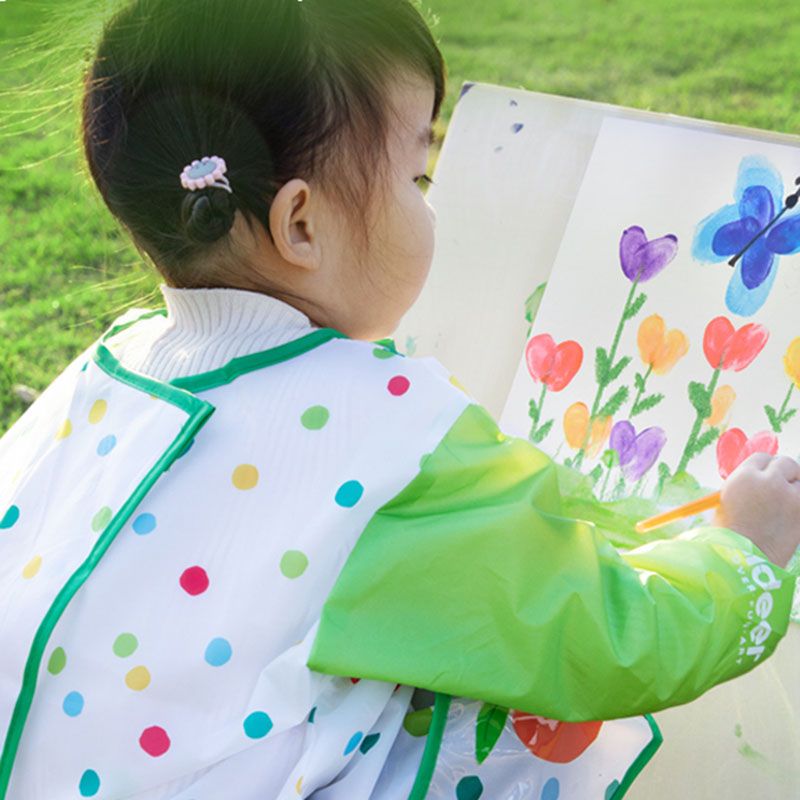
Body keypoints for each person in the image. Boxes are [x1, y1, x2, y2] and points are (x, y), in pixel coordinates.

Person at [0, 1, 797, 798]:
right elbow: (603, 633)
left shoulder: (105, 373)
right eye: (417, 176)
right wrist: (744, 551)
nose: (432, 201)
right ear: (300, 225)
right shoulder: (393, 442)